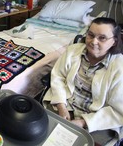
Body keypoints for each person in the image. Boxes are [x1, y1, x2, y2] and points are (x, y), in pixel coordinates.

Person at [43, 17, 123, 145]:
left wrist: (84, 122)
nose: (93, 42)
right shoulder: (72, 51)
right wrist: (61, 106)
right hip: (66, 107)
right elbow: (58, 76)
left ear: (114, 41)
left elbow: (118, 110)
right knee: (43, 134)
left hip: (97, 119)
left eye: (102, 38)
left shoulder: (119, 67)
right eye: (90, 35)